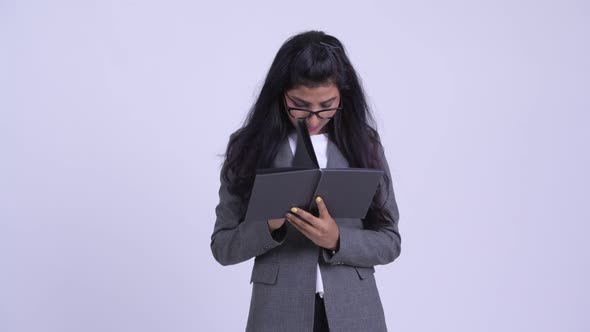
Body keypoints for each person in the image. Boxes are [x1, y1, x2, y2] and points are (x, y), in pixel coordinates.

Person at [211, 30, 401, 332]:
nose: (313, 119)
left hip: (355, 311)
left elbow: (390, 241)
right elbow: (222, 247)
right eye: (299, 105)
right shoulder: (249, 147)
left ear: (344, 96)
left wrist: (338, 240)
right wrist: (269, 225)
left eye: (327, 106)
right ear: (279, 94)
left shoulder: (364, 144)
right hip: (277, 311)